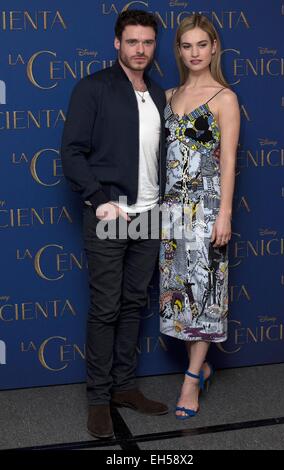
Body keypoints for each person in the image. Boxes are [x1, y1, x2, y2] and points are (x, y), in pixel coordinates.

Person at [61, 10, 168, 439]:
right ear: (117, 44)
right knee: (106, 307)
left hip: (150, 215)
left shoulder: (159, 94)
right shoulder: (94, 88)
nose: (140, 50)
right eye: (132, 42)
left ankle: (124, 387)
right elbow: (71, 152)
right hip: (113, 215)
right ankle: (98, 398)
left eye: (147, 43)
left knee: (132, 303)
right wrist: (99, 200)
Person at [159, 14, 240, 419]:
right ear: (179, 50)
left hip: (208, 211)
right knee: (182, 297)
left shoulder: (224, 97)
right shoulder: (168, 95)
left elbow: (228, 162)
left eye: (201, 45)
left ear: (213, 48)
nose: (194, 53)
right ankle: (202, 367)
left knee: (206, 295)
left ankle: (191, 380)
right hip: (172, 214)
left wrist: (224, 214)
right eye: (186, 46)